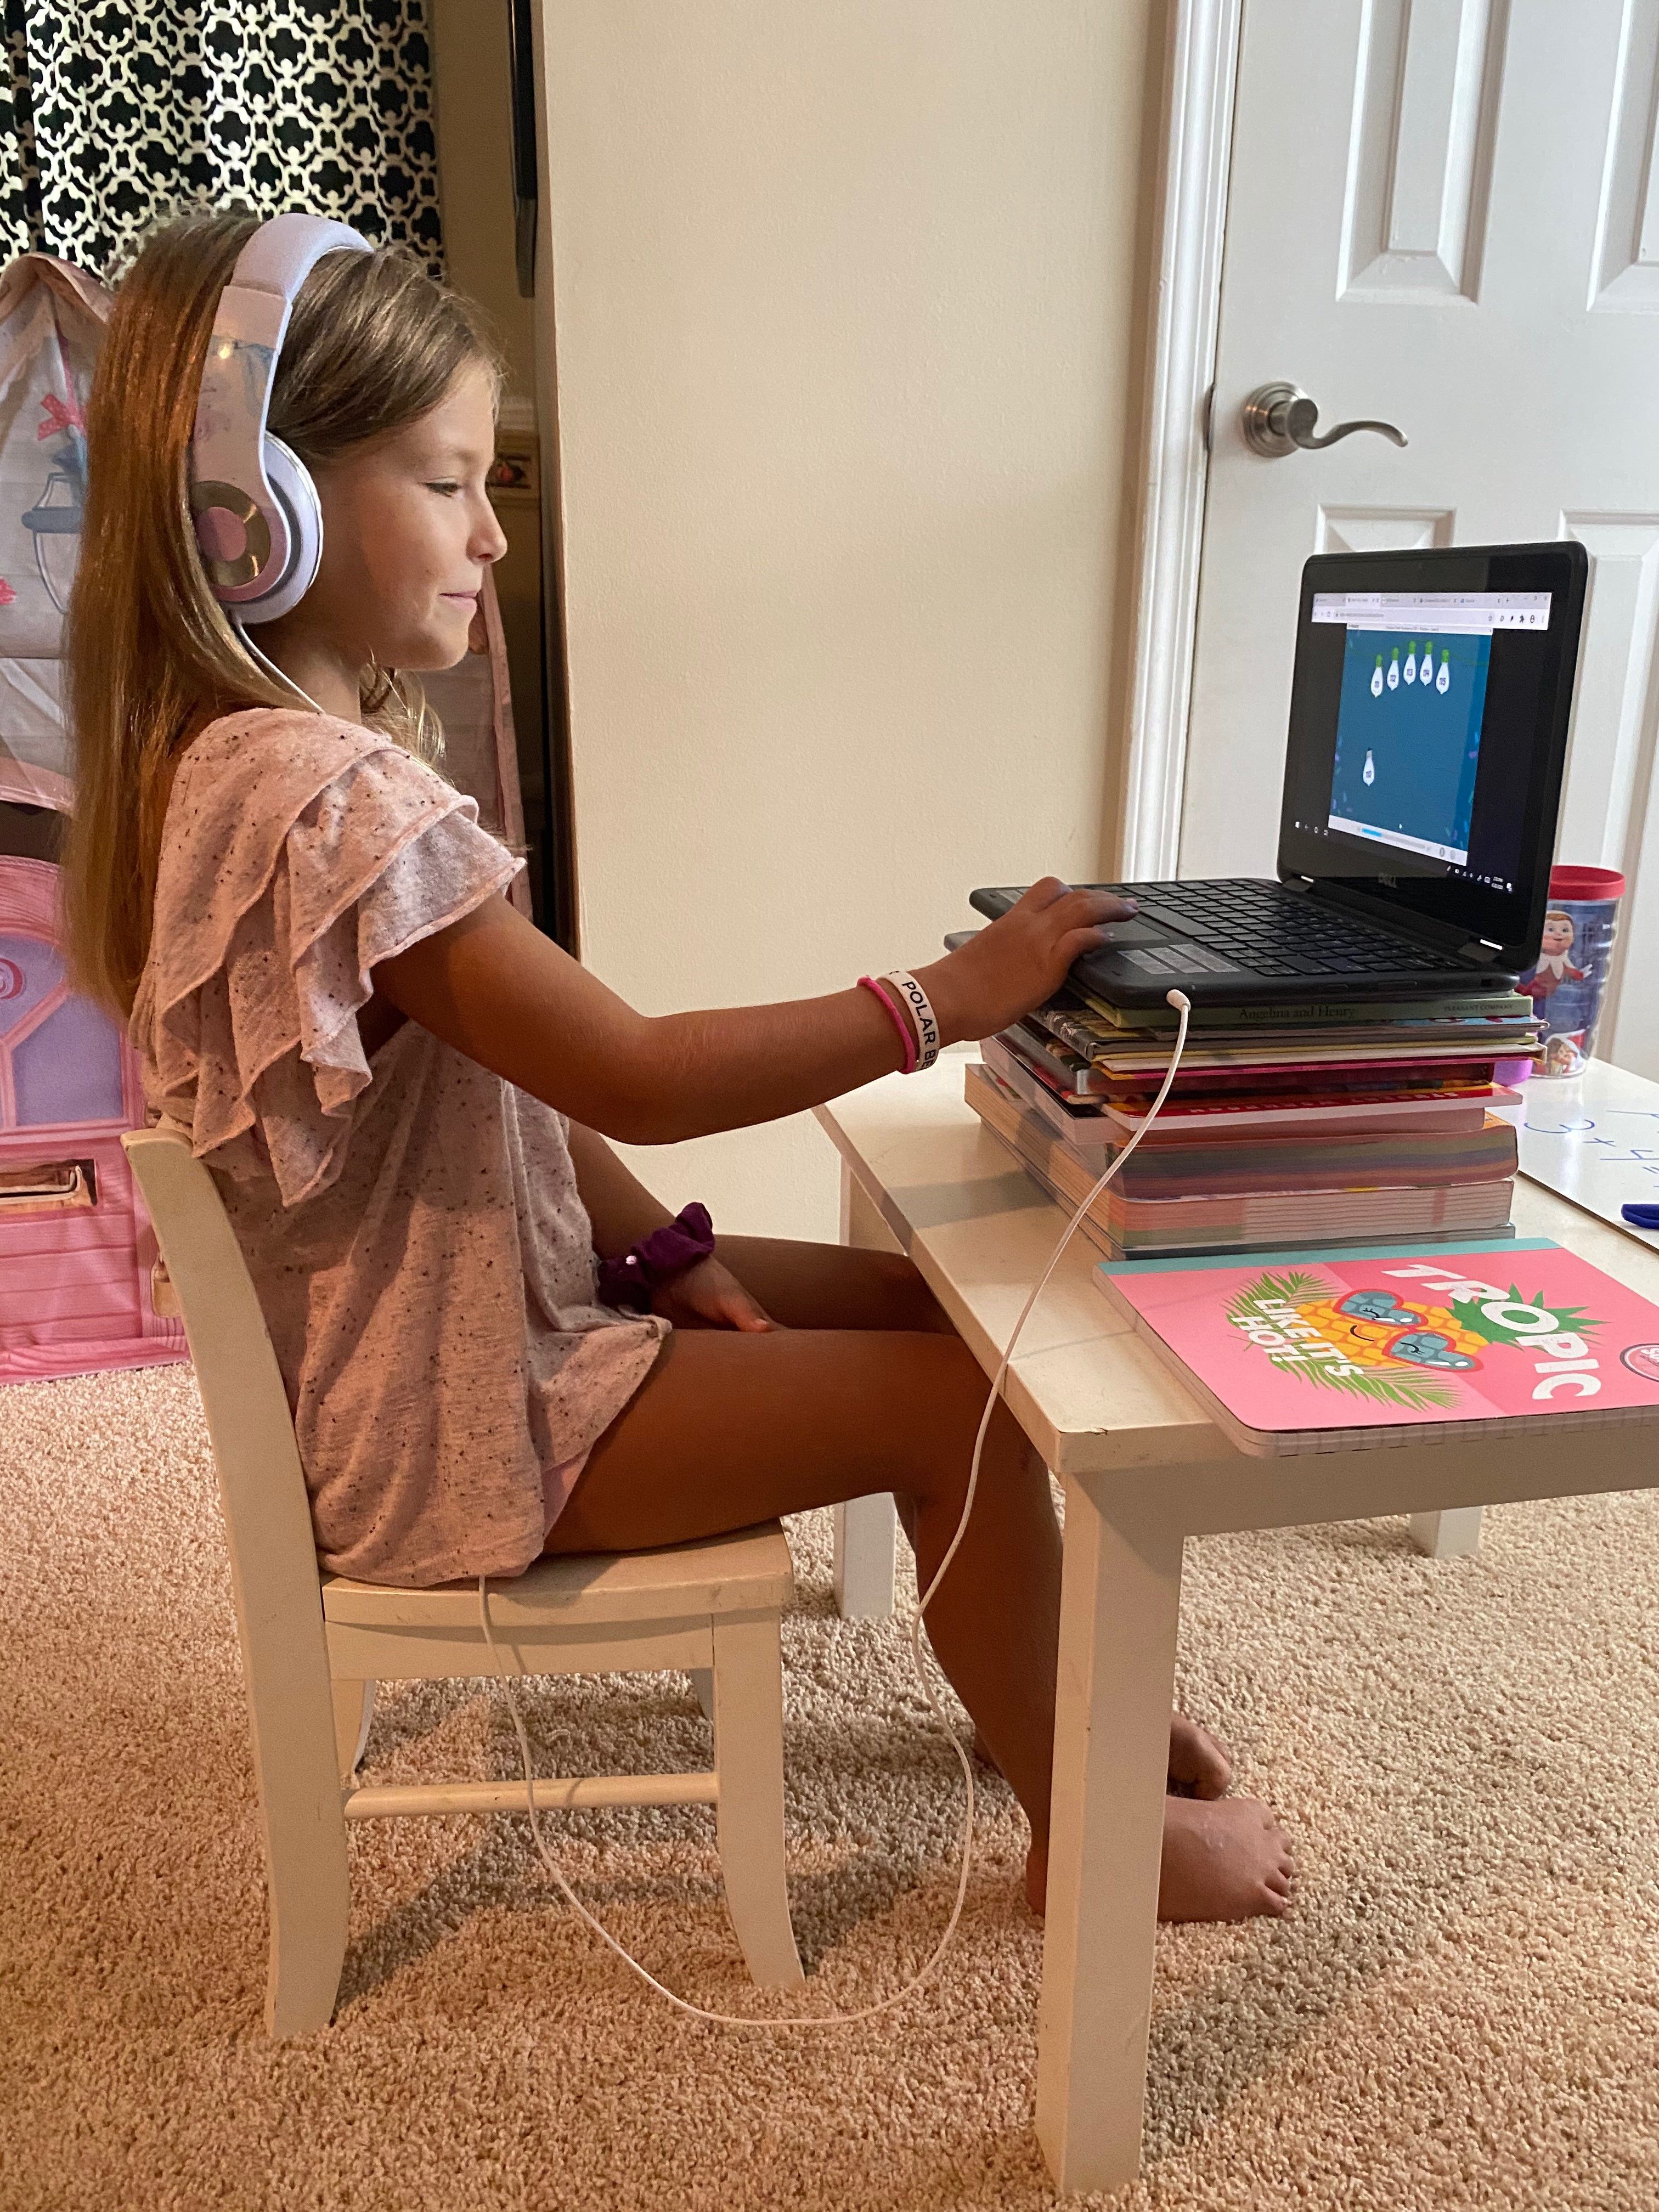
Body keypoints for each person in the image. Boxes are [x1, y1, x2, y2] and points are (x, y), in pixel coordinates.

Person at [62, 210, 1292, 1927]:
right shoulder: (326, 805)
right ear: (254, 509)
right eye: (446, 482)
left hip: (485, 1324)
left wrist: (661, 1254)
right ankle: (1094, 1831)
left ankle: (1056, 1671)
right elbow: (631, 1071)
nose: (495, 534)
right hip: (461, 1414)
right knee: (957, 1405)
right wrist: (946, 995)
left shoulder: (240, 771)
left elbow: (507, 1093)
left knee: (950, 1322)